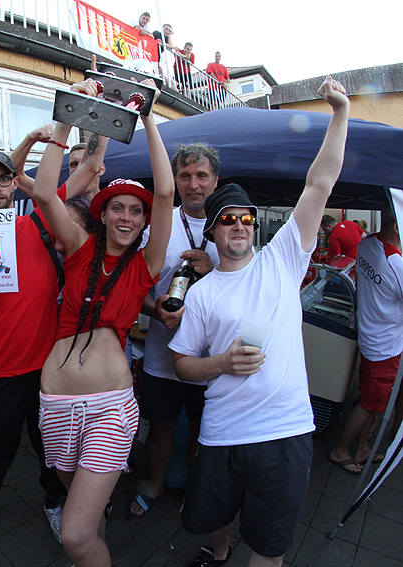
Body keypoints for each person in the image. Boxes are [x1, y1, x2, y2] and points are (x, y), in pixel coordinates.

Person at [169, 76, 349, 567]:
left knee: (270, 545)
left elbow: (320, 183)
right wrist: (221, 364)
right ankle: (218, 553)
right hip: (223, 430)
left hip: (284, 430)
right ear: (213, 230)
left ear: (255, 224)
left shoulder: (282, 260)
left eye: (246, 218)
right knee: (216, 517)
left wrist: (340, 114)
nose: (238, 226)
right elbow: (182, 363)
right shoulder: (202, 293)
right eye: (227, 219)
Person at [0, 84, 109, 544]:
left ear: (14, 183)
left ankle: (54, 503)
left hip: (46, 367)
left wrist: (89, 113)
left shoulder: (38, 219)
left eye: (4, 179)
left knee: (52, 450)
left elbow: (90, 168)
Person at [32, 78, 174, 567]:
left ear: (144, 221)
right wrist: (68, 115)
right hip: (54, 406)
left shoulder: (145, 266)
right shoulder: (79, 248)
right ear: (104, 214)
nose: (127, 216)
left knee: (72, 535)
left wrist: (148, 116)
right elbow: (45, 194)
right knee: (89, 524)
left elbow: (166, 192)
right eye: (118, 207)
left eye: (136, 210)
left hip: (108, 410)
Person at [130, 142, 220, 517]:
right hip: (162, 356)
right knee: (161, 427)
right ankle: (155, 483)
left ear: (216, 180)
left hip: (211, 360)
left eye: (201, 175)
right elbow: (133, 288)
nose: (193, 184)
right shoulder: (156, 226)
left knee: (203, 430)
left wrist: (214, 270)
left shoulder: (231, 226)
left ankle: (195, 488)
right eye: (185, 175)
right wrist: (157, 311)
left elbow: (248, 287)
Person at [328, 200, 403, 474]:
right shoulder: (396, 262)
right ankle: (340, 449)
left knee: (370, 396)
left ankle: (362, 447)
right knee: (371, 403)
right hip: (386, 345)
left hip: (370, 336)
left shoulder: (368, 243)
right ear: (397, 226)